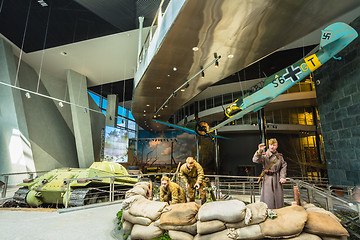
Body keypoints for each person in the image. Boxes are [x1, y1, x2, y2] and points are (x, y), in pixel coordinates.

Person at [253, 138, 287, 209]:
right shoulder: (264, 155)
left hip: (277, 178)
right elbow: (255, 160)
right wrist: (259, 151)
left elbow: (284, 165)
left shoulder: (279, 157)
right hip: (267, 179)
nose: (272, 147)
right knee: (268, 197)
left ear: (277, 146)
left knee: (278, 197)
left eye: (274, 145)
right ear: (268, 145)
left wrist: (282, 176)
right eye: (271, 145)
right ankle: (268, 212)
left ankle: (279, 212)